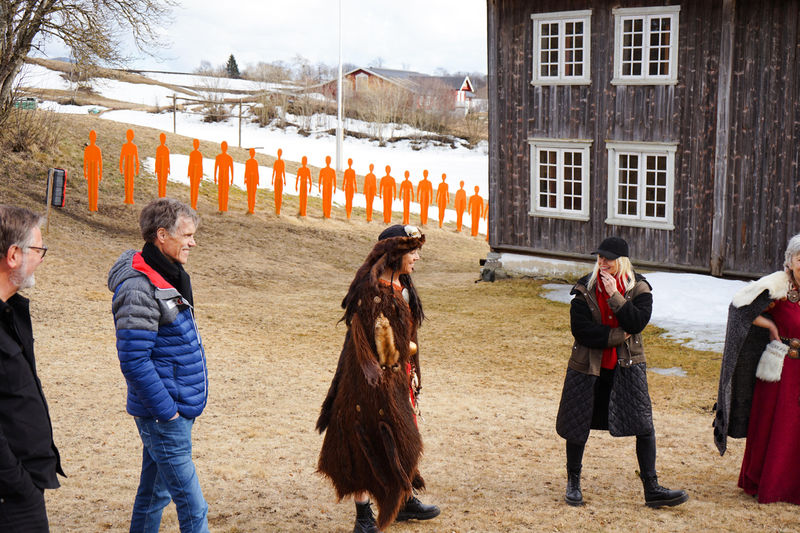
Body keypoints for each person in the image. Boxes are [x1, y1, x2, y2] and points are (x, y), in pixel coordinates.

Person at [317, 224, 440, 532]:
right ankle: (364, 517)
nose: (417, 258)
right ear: (395, 254)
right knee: (365, 440)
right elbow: (384, 351)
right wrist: (408, 348)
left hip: (398, 376)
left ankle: (403, 499)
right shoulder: (375, 294)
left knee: (401, 435)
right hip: (368, 382)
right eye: (412, 252)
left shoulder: (401, 285)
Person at [555, 236, 688, 508]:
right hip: (588, 367)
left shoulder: (638, 288)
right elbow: (581, 330)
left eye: (608, 259)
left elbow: (637, 322)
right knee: (577, 425)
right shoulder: (585, 287)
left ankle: (652, 489)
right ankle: (573, 483)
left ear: (622, 261)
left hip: (626, 368)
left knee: (644, 426)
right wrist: (618, 335)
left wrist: (615, 296)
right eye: (599, 258)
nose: (602, 263)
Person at [108, 198, 209, 532]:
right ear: (162, 235)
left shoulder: (168, 274)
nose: (193, 242)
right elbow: (134, 361)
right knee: (195, 509)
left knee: (153, 496)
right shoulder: (140, 286)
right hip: (164, 414)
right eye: (187, 235)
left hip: (170, 409)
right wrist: (168, 412)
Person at [714, 233, 800, 505]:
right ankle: (771, 485)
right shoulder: (777, 287)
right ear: (790, 261)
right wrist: (772, 326)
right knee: (778, 426)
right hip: (781, 368)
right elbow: (740, 308)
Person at [0, 205, 64, 532]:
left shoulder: (11, 313)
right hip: (11, 497)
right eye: (38, 250)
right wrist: (17, 484)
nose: (41, 259)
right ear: (14, 254)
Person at [84, 129, 103, 211]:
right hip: (90, 170)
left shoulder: (97, 149)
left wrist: (100, 173)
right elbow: (85, 161)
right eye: (92, 137)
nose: (93, 138)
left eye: (94, 137)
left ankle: (94, 205)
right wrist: (85, 172)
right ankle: (91, 205)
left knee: (95, 189)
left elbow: (100, 162)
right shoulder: (87, 149)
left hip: (95, 169)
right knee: (90, 189)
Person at [120, 128, 140, 205]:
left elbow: (136, 158)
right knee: (126, 182)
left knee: (131, 183)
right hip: (126, 166)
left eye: (130, 136)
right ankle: (127, 198)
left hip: (131, 166)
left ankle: (130, 198)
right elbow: (122, 157)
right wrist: (121, 167)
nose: (129, 137)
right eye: (128, 136)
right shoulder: (124, 146)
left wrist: (137, 168)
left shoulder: (134, 147)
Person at [214, 141, 234, 213]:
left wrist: (232, 178)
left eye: (225, 147)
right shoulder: (218, 157)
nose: (224, 148)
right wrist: (215, 177)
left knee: (225, 192)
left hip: (226, 177)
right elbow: (216, 167)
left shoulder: (229, 158)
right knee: (220, 192)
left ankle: (224, 207)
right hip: (220, 176)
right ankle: (220, 207)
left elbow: (232, 168)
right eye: (223, 147)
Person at [155, 133, 171, 198]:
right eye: (161, 139)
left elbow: (168, 159)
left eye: (163, 139)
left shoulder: (166, 149)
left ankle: (163, 196)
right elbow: (157, 158)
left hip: (164, 168)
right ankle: (160, 196)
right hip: (159, 168)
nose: (162, 140)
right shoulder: (158, 149)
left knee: (163, 184)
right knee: (160, 184)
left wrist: (168, 168)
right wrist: (156, 168)